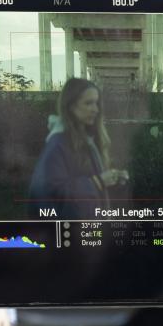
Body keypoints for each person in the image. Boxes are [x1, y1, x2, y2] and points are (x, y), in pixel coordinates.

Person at [26, 78, 128, 220]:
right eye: (88, 103)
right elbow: (48, 196)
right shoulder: (58, 145)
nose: (96, 109)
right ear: (71, 106)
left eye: (96, 103)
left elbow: (90, 186)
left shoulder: (86, 140)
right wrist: (97, 182)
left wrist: (112, 180)